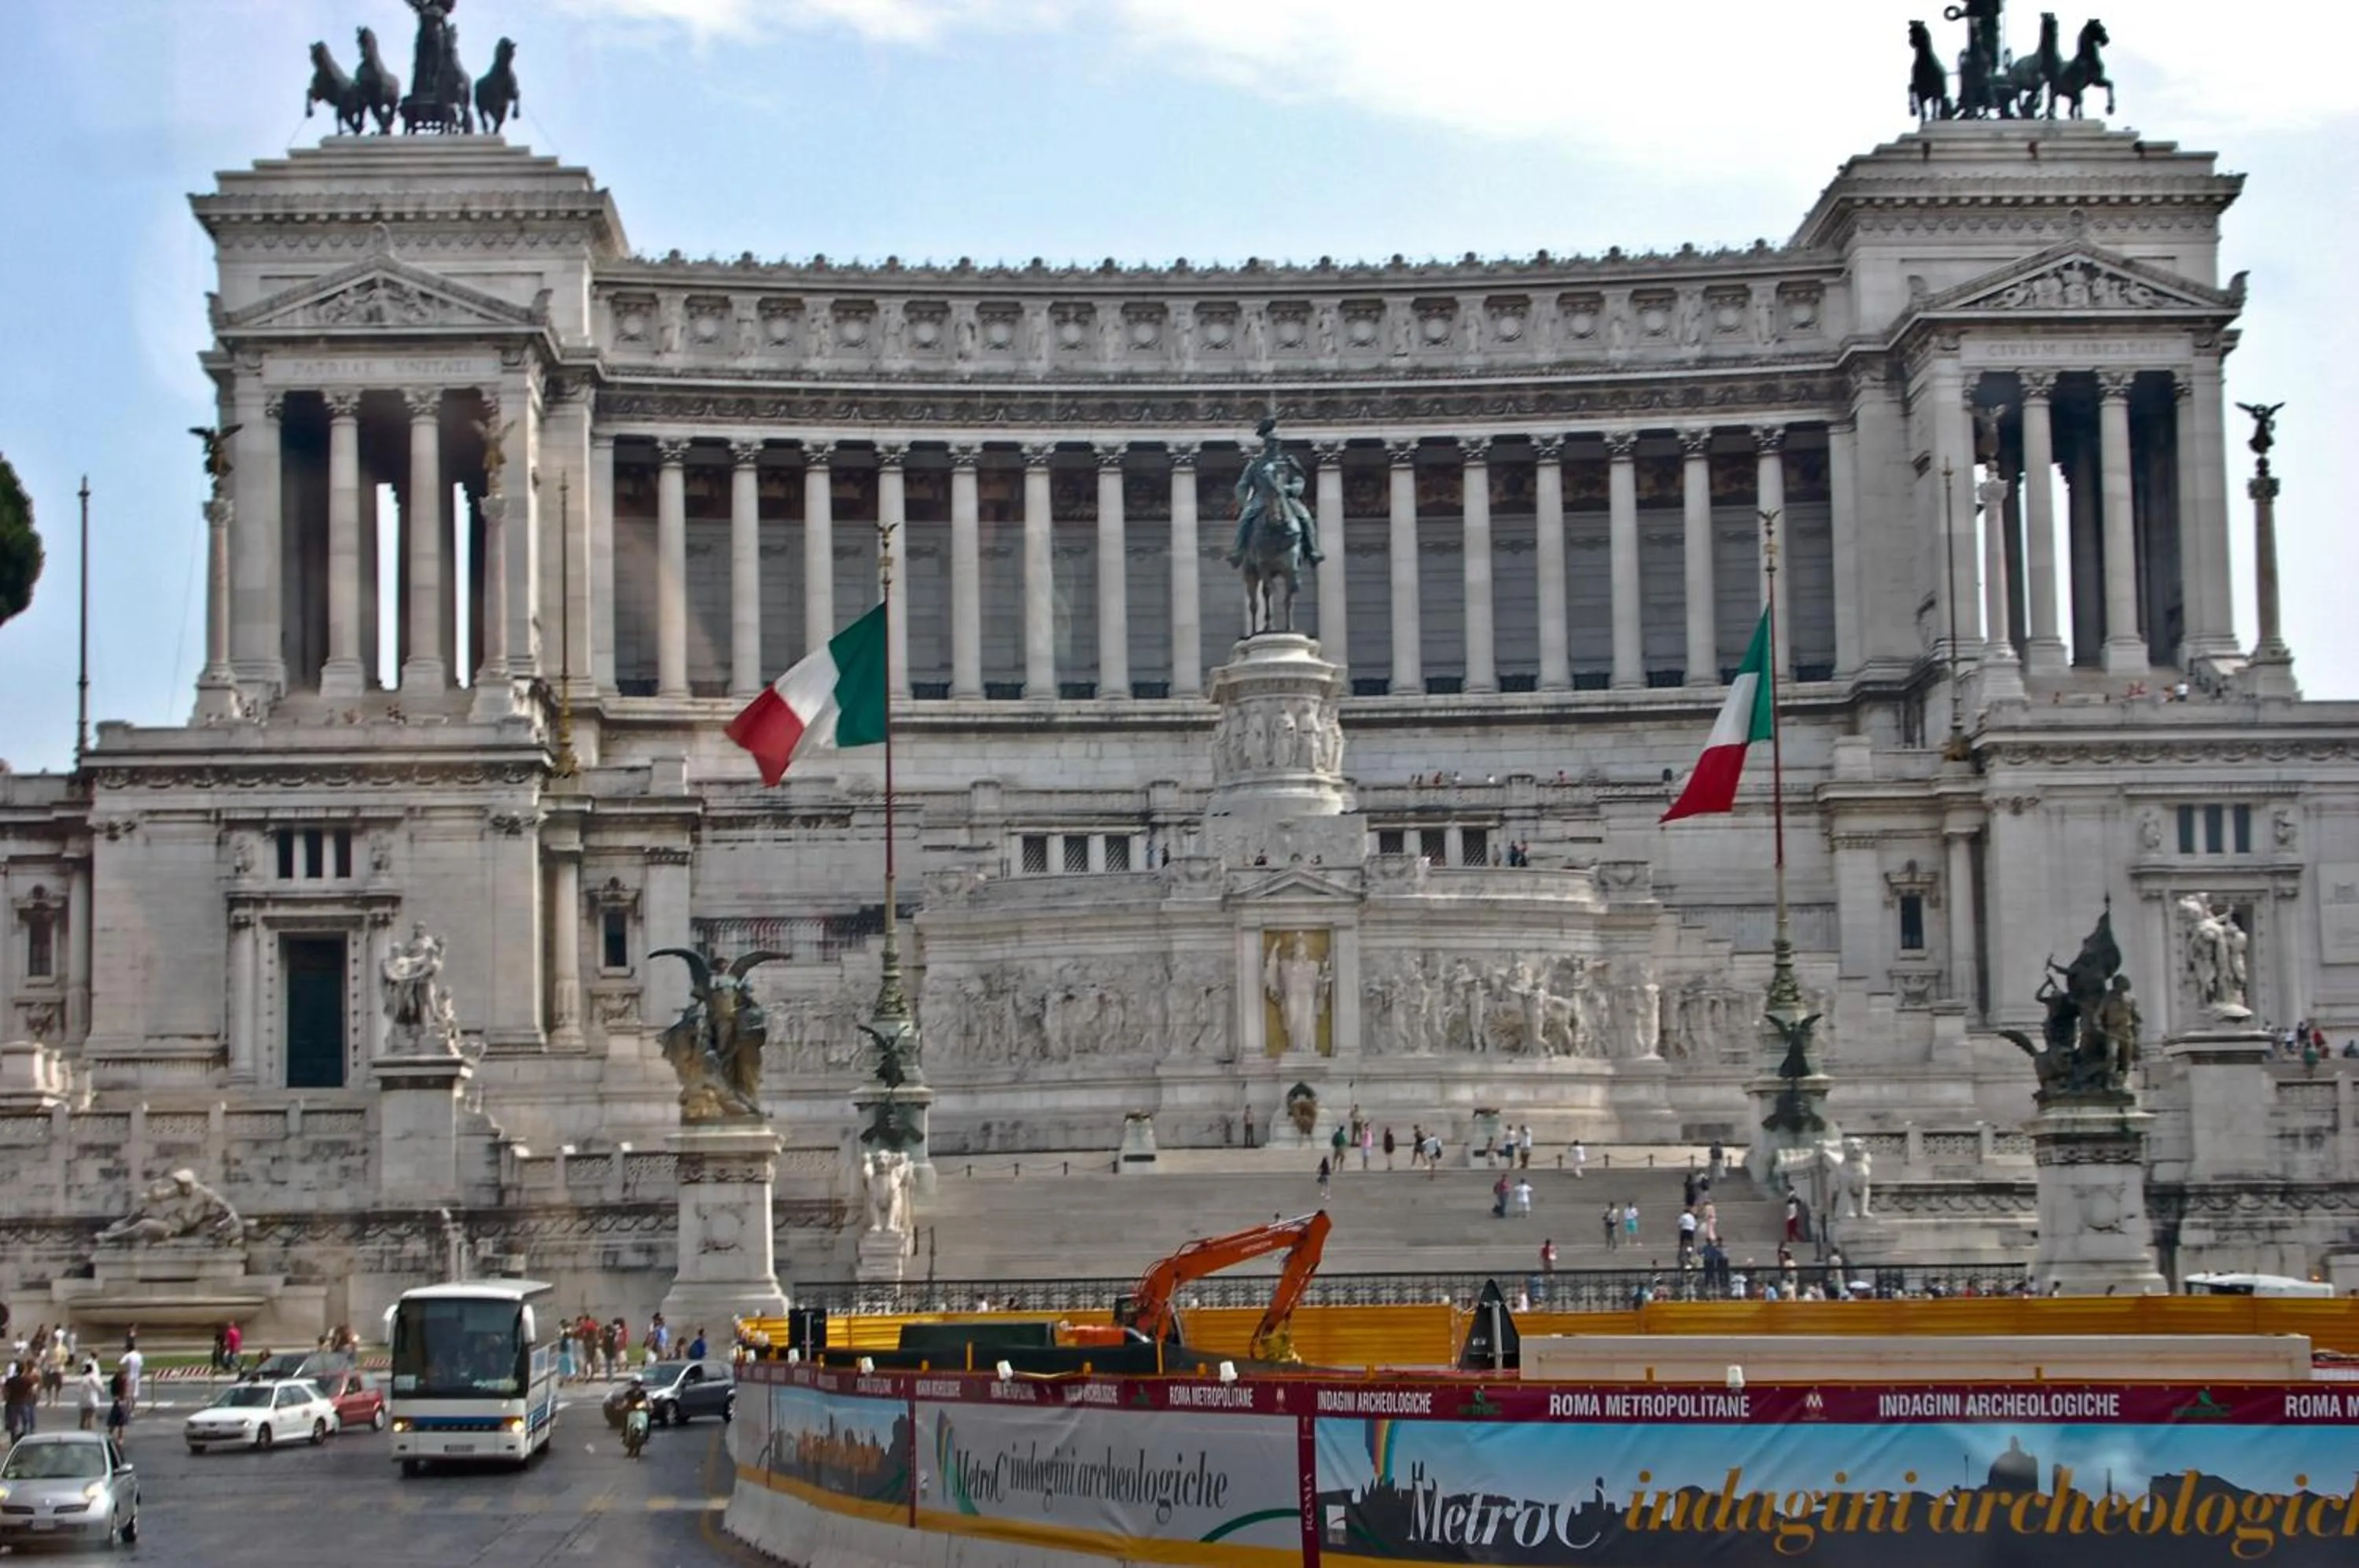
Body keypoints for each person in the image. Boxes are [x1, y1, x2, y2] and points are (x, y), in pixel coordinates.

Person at [75, 1357, 104, 1432]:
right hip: (92, 1400)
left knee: (83, 1418)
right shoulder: (95, 1378)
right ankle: (90, 1433)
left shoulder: (83, 1378)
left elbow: (78, 1390)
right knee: (91, 1418)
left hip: (83, 1401)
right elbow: (101, 1389)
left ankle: (82, 1433)